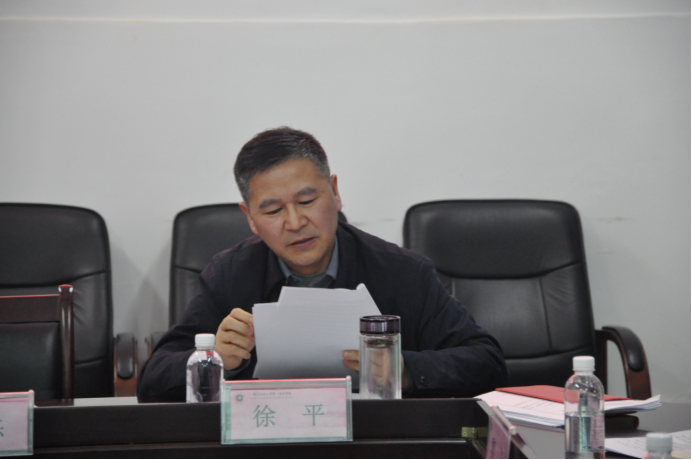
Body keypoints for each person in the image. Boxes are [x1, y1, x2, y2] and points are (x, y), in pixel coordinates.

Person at [138, 127, 508, 401]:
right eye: (273, 210)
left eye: (307, 201)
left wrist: (408, 370)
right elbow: (152, 379)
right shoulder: (228, 274)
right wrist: (215, 359)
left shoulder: (402, 272)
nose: (295, 222)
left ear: (335, 192)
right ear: (249, 217)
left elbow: (487, 363)